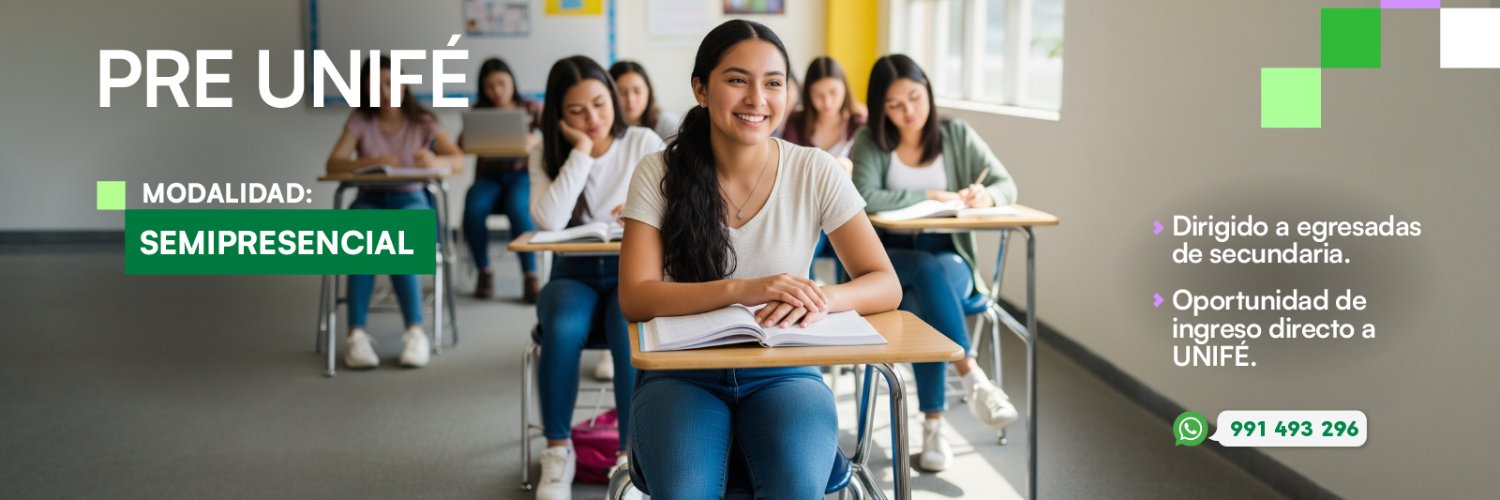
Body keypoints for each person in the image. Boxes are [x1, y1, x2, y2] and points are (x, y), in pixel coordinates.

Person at [619, 20, 902, 498]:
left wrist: (814, 297)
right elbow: (636, 297)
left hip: (786, 369)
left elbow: (884, 283)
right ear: (701, 89)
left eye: (773, 83)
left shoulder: (814, 169)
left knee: (795, 485)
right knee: (684, 490)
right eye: (736, 80)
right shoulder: (659, 170)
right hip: (682, 372)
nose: (757, 98)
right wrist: (747, 288)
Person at [849, 53, 1020, 472]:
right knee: (923, 272)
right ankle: (969, 381)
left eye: (915, 96)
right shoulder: (871, 141)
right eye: (895, 104)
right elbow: (864, 195)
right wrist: (929, 197)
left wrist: (987, 197)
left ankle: (934, 426)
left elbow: (1006, 184)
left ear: (927, 89)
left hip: (950, 256)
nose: (909, 111)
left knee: (927, 294)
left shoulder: (956, 134)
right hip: (889, 262)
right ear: (880, 108)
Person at [530, 55, 666, 500]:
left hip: (633, 267)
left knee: (627, 336)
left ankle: (629, 460)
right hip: (573, 270)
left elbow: (675, 207)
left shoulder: (642, 140)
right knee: (563, 329)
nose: (593, 118)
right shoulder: (544, 152)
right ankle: (557, 451)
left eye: (600, 103)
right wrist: (582, 153)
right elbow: (548, 220)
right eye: (577, 111)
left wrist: (640, 215)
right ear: (558, 116)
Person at [324, 56, 464, 369]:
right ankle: (356, 336)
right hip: (369, 201)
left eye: (390, 83)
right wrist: (366, 161)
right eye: (376, 86)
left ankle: (415, 331)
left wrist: (434, 161)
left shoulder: (423, 121)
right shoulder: (361, 120)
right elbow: (333, 164)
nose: (385, 92)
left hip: (412, 200)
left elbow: (457, 161)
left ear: (403, 84)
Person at [460, 58, 543, 302]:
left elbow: (554, 135)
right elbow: (460, 144)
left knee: (518, 207)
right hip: (489, 177)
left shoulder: (530, 107)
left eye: (501, 83)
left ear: (511, 82)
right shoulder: (478, 112)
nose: (497, 91)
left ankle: (530, 275)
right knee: (473, 207)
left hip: (521, 174)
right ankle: (483, 271)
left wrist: (535, 142)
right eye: (489, 86)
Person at [780, 56, 869, 280]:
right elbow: (789, 172)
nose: (827, 102)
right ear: (808, 95)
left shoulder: (861, 124)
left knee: (853, 260)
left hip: (850, 210)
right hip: (808, 212)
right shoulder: (797, 122)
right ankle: (803, 297)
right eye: (819, 95)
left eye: (833, 93)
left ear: (844, 90)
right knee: (800, 250)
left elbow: (869, 176)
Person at [609, 61, 682, 142]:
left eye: (637, 91)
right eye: (622, 92)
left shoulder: (667, 124)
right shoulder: (604, 130)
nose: (630, 99)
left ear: (648, 92)